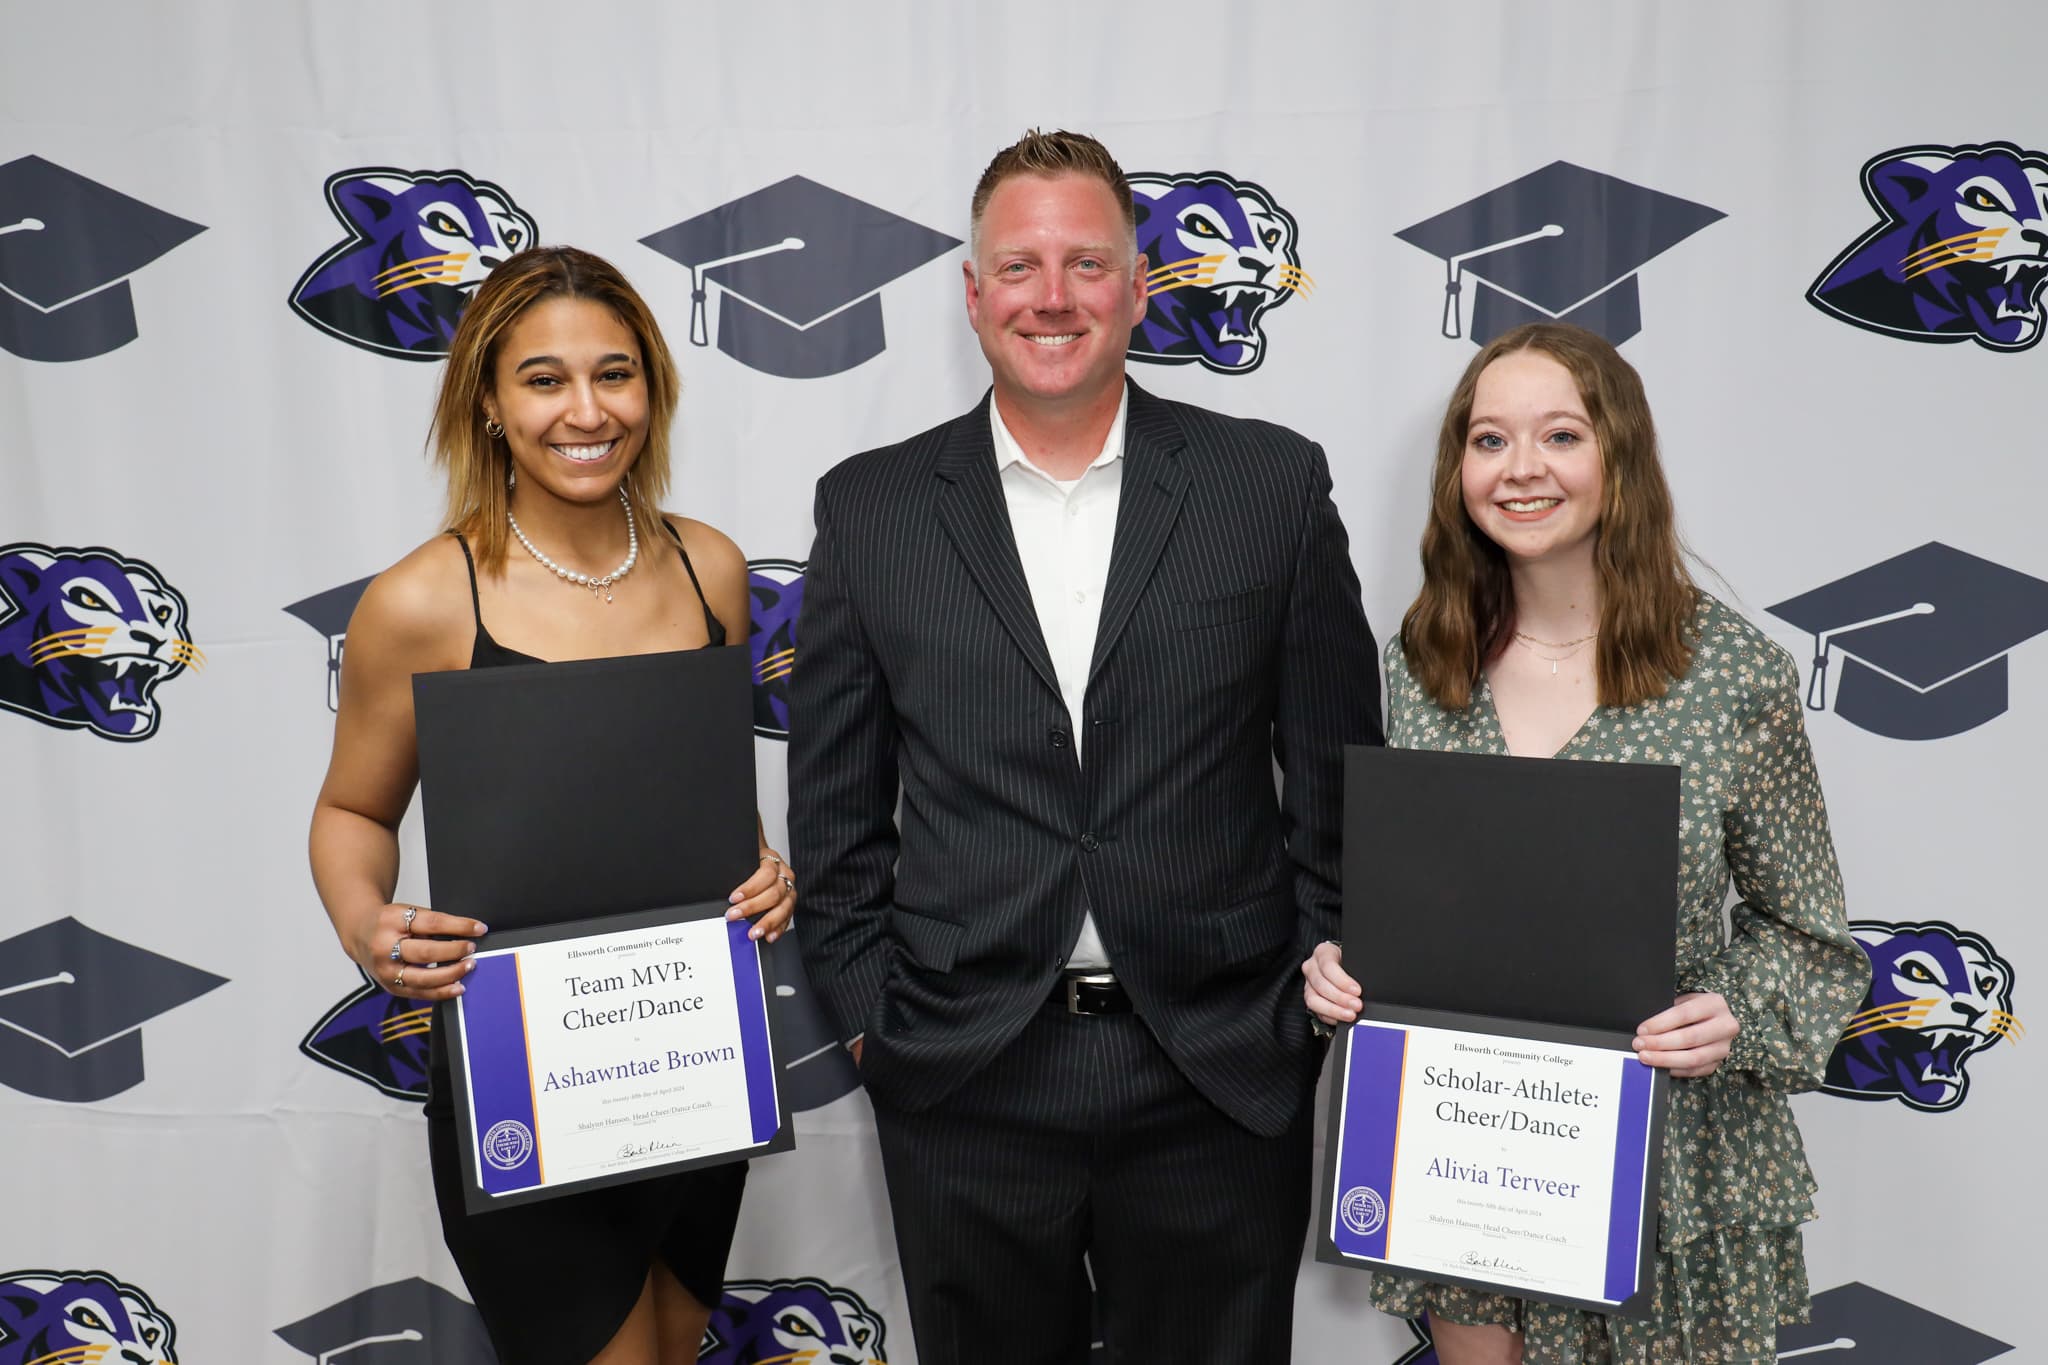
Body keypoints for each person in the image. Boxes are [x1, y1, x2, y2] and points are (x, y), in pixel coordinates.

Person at [787, 129, 1381, 1363]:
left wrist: (1299, 1011)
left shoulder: (1266, 487)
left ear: (1137, 287)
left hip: (1216, 1069)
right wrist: (870, 1023)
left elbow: (1338, 785)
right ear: (972, 293)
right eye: (1017, 267)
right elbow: (836, 813)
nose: (1049, 297)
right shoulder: (870, 506)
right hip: (964, 1072)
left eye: (1085, 264)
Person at [1302, 322, 1864, 1364]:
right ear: (1457, 469)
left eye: (1559, 435)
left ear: (1620, 457)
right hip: (1466, 1145)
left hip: (1666, 1156)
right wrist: (1345, 962)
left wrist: (1731, 1012)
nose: (1520, 468)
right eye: (1488, 440)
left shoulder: (1730, 674)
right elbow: (1407, 896)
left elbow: (1809, 935)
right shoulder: (1420, 665)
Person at [307, 245, 793, 1365]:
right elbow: (351, 812)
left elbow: (698, 792)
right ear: (487, 401)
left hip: (686, 1059)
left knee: (674, 1346)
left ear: (652, 389)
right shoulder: (424, 600)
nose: (586, 410)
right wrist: (370, 924)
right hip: (524, 1072)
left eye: (614, 374)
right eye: (544, 379)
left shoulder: (711, 568)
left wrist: (764, 868)